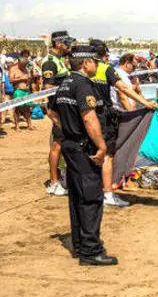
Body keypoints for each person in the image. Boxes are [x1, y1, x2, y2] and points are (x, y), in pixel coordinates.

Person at [49, 45, 117, 266]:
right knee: (90, 197)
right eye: (94, 61)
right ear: (85, 62)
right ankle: (90, 250)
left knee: (77, 196)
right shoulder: (82, 85)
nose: (96, 65)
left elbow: (51, 111)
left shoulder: (65, 83)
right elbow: (89, 118)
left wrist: (67, 128)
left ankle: (80, 244)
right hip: (82, 147)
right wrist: (101, 146)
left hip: (69, 144)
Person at [89, 40, 157, 207]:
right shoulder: (106, 69)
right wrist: (145, 103)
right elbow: (123, 89)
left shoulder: (80, 70)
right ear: (103, 54)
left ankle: (92, 190)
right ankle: (108, 194)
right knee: (107, 155)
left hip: (88, 115)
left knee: (92, 152)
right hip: (105, 116)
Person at [43, 31, 74, 196]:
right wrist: (53, 114)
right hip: (57, 110)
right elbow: (48, 90)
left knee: (64, 144)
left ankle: (62, 177)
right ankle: (54, 182)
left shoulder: (61, 60)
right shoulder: (49, 63)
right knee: (57, 145)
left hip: (65, 109)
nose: (68, 45)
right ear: (58, 43)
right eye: (66, 42)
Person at [9, 50, 34, 131]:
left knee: (27, 108)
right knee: (17, 109)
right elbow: (11, 80)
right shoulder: (13, 69)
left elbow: (30, 78)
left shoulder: (26, 69)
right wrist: (21, 78)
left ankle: (29, 125)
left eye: (25, 65)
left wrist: (30, 77)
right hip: (18, 91)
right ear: (19, 63)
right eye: (22, 65)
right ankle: (17, 126)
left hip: (27, 91)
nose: (24, 67)